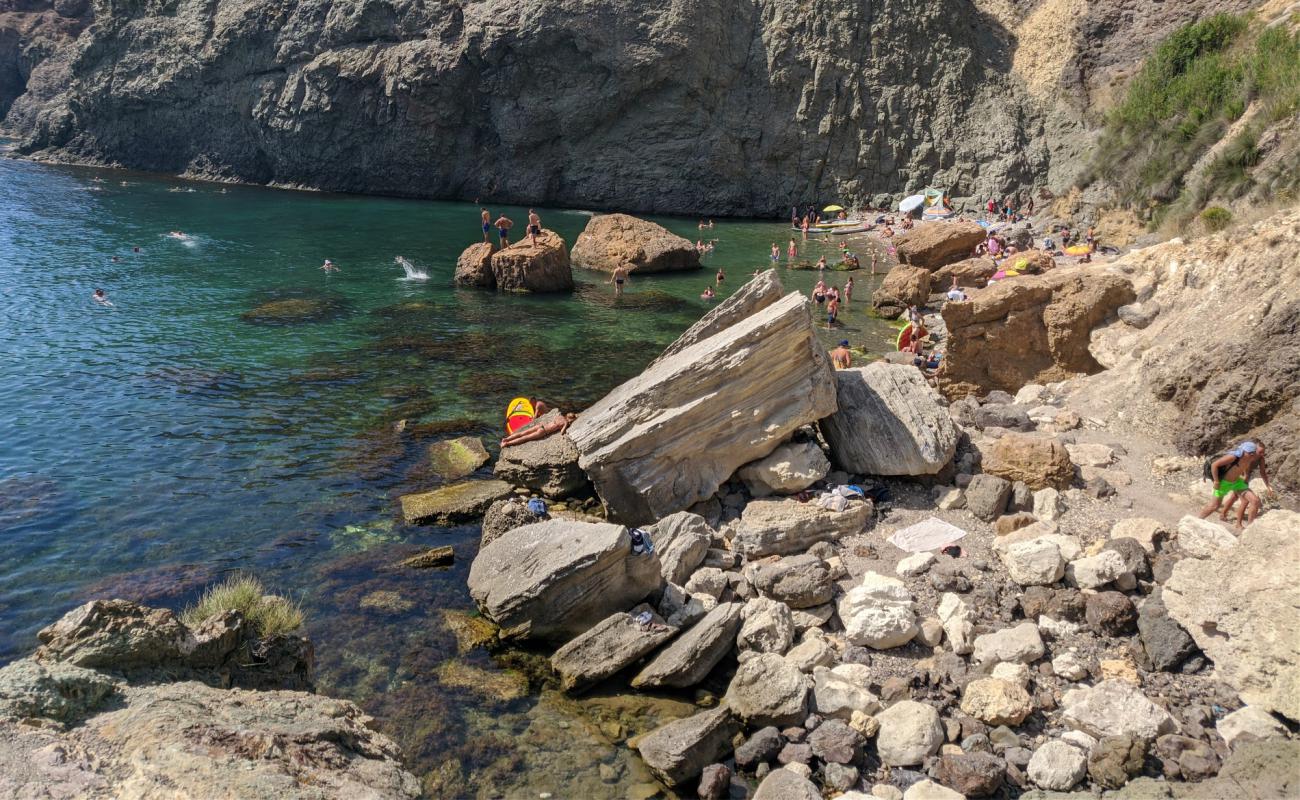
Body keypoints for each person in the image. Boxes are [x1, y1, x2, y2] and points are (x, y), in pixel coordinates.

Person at [1200, 441, 1275, 529]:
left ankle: (1250, 528)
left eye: (1253, 452)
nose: (1252, 455)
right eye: (1250, 453)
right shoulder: (1233, 457)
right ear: (1244, 451)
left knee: (1255, 501)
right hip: (1223, 483)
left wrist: (1246, 480)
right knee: (1214, 506)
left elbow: (1246, 471)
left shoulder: (1250, 458)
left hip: (1237, 483)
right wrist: (1216, 482)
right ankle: (1196, 521)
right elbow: (1214, 465)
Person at [501, 412, 576, 448]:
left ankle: (506, 439)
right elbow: (562, 432)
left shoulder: (560, 416)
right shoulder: (565, 422)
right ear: (570, 419)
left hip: (541, 425)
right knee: (525, 438)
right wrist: (566, 425)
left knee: (522, 433)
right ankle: (507, 443)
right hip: (543, 431)